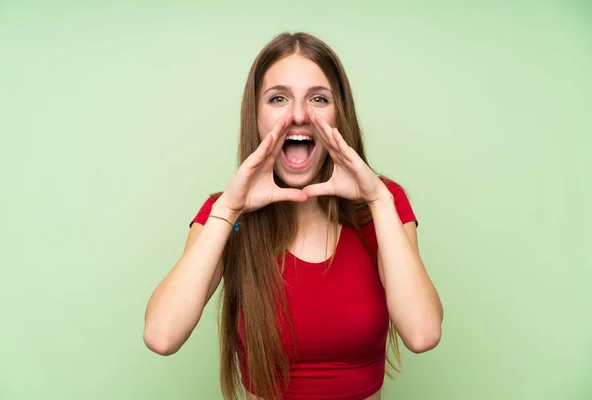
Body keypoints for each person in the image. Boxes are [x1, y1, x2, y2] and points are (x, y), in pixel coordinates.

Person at [143, 32, 443, 400]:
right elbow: (161, 335)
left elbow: (422, 333)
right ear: (255, 115)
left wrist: (378, 200)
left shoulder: (383, 203)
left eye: (318, 98)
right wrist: (228, 210)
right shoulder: (225, 214)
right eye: (278, 99)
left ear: (339, 113)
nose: (299, 115)